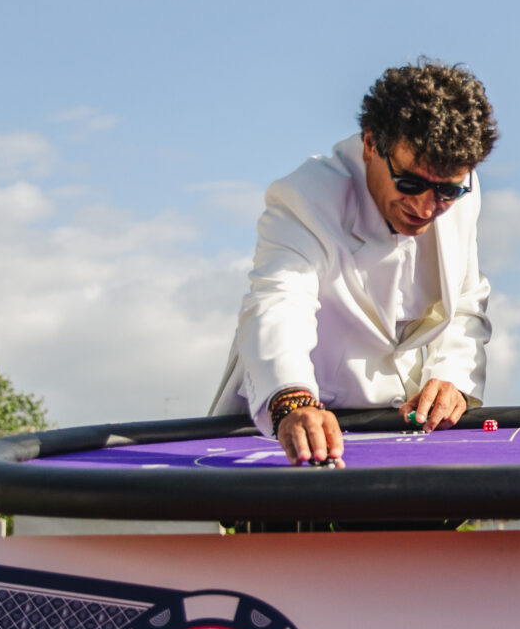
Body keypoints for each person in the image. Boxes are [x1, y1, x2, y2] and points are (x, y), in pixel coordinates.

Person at [210, 61, 497, 465]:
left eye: (446, 192)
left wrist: (452, 377)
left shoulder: (461, 188)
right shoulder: (306, 197)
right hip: (292, 427)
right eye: (410, 183)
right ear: (370, 144)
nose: (425, 207)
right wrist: (293, 398)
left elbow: (466, 299)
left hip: (400, 427)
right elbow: (278, 303)